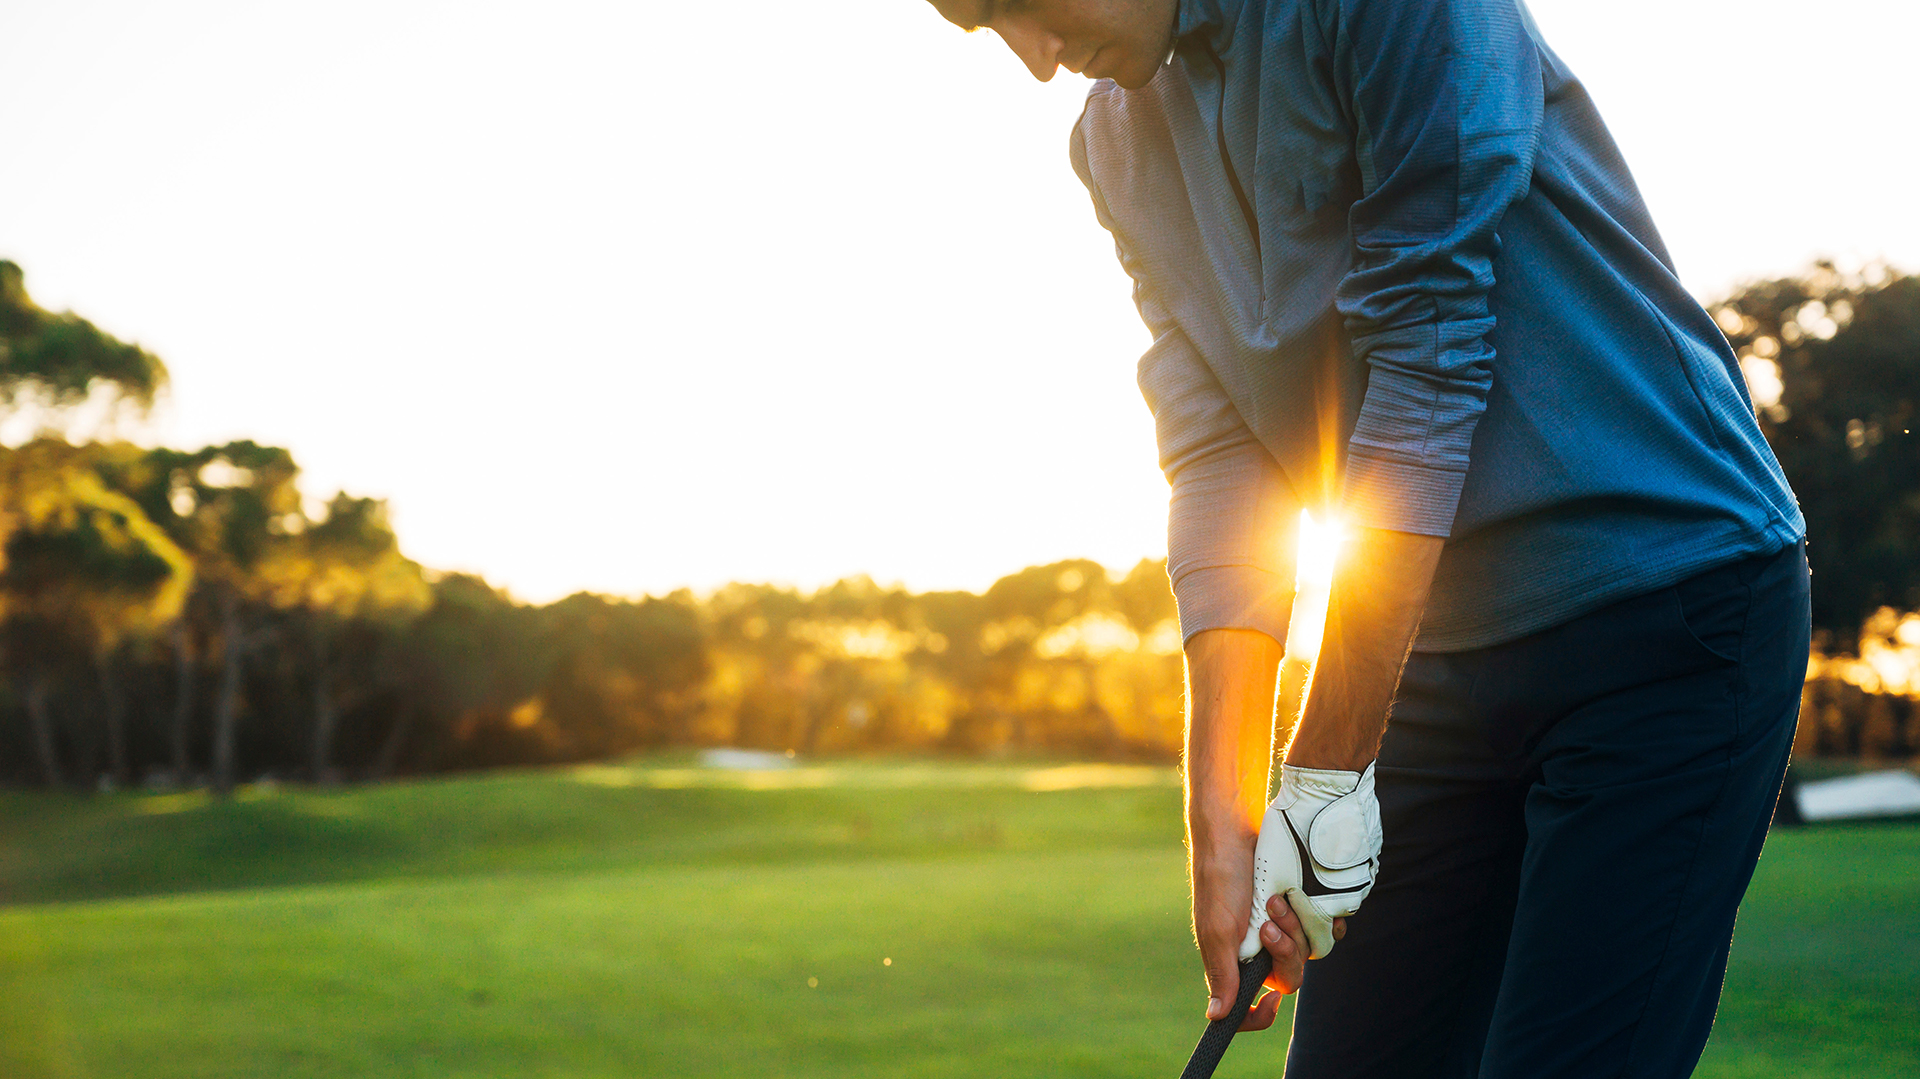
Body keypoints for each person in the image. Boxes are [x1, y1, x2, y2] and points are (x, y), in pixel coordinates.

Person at [923, 0, 1811, 1076]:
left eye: (1021, 2)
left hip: (1666, 614)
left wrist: (1326, 770)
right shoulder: (1111, 141)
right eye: (984, 29)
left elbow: (1427, 363)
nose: (1034, 62)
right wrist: (1227, 817)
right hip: (1431, 650)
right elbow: (1216, 456)